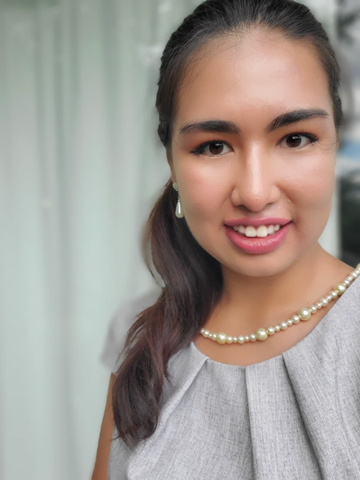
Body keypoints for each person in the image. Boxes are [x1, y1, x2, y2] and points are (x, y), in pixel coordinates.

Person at [92, 0, 360, 478]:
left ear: (334, 141)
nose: (255, 193)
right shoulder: (145, 341)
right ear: (172, 164)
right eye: (213, 146)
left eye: (295, 138)